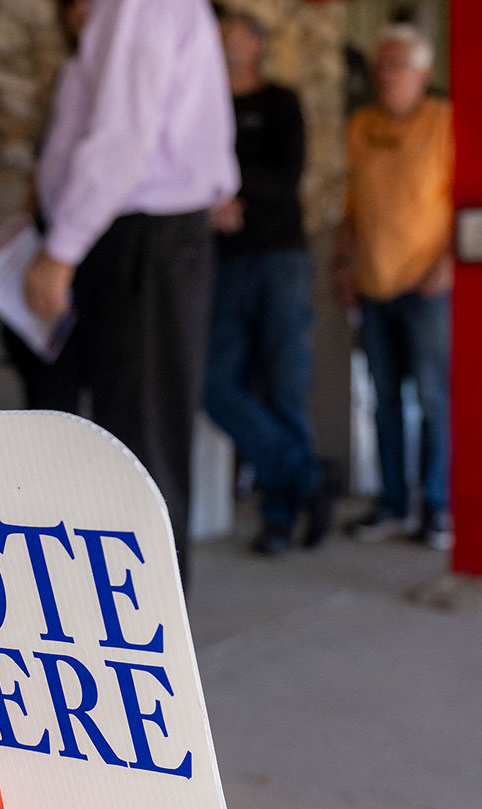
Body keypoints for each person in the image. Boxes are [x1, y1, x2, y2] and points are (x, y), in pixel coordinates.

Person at [23, 0, 239, 585]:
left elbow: (122, 140)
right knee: (137, 432)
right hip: (139, 237)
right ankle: (138, 625)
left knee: (141, 442)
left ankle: (149, 644)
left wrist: (59, 251)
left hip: (144, 236)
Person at [203, 6, 335, 557]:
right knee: (212, 384)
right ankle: (307, 477)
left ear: (255, 43)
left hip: (279, 259)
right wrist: (212, 203)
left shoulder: (280, 102)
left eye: (233, 28)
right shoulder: (202, 105)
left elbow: (285, 180)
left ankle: (279, 518)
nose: (223, 36)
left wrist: (226, 191)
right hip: (222, 261)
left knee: (284, 384)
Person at [333, 24, 454, 550]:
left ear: (424, 74)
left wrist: (448, 263)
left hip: (428, 286)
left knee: (433, 399)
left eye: (398, 64)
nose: (386, 74)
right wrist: (343, 262)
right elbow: (351, 206)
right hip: (373, 283)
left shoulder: (446, 123)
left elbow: (467, 201)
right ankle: (390, 504)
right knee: (383, 401)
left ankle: (436, 506)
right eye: (381, 64)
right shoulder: (359, 127)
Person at [1, 0, 90, 414]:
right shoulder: (65, 77)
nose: (80, 11)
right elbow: (42, 171)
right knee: (38, 359)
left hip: (93, 238)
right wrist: (16, 253)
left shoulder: (115, 75)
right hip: (52, 230)